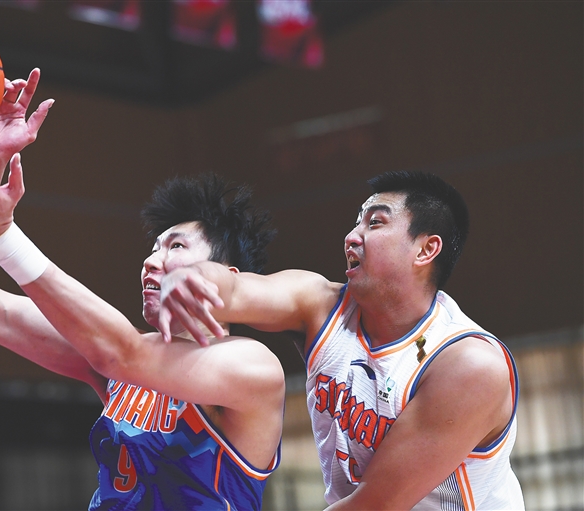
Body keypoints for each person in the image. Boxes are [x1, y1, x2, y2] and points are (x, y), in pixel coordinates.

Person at [0, 69, 284, 511]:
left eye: (176, 247)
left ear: (224, 275)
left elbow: (119, 353)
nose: (151, 261)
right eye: (152, 249)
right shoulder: (119, 355)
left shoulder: (254, 366)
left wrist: (2, 236)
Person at [157, 171, 525, 510]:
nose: (352, 236)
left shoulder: (470, 364)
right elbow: (236, 288)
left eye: (375, 222)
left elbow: (373, 505)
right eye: (356, 222)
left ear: (426, 250)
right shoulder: (319, 304)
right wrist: (195, 277)